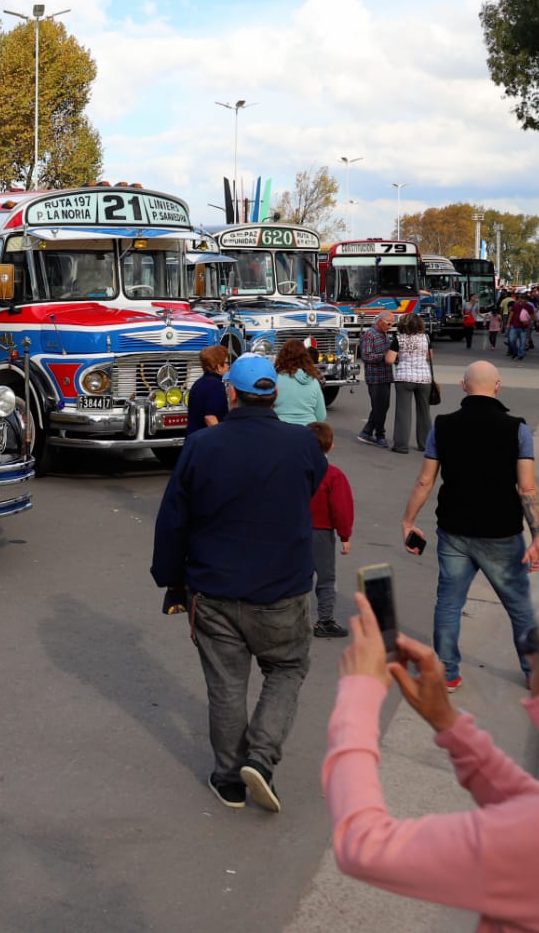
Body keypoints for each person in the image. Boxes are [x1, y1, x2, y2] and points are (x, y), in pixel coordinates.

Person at [322, 561, 539, 929]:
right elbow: (538, 809)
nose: (528, 652)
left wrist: (358, 693)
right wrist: (448, 722)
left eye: (534, 640)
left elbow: (363, 846)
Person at [152, 353, 327, 813]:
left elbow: (174, 519)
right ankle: (262, 759)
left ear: (231, 392)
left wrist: (171, 581)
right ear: (274, 394)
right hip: (282, 589)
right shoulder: (301, 444)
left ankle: (229, 779)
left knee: (227, 686)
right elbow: (310, 486)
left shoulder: (202, 445)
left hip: (214, 588)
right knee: (286, 669)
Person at [402, 360, 539, 691]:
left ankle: (448, 673)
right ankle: (535, 675)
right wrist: (538, 535)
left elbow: (425, 481)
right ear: (497, 386)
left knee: (449, 603)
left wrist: (408, 520)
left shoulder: (443, 425)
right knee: (520, 607)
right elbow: (527, 489)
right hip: (502, 534)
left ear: (464, 387)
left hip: (454, 531)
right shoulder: (518, 429)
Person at [307, 421, 353, 639]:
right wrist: (345, 535)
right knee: (325, 578)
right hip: (321, 532)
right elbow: (341, 508)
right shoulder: (333, 475)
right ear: (331, 446)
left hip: (295, 528)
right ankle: (324, 620)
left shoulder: (293, 470)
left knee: (297, 575)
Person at [388, 312, 434, 455]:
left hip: (404, 378)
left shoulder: (398, 338)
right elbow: (429, 356)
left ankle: (401, 445)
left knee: (403, 413)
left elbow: (389, 359)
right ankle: (425, 444)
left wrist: (400, 357)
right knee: (424, 413)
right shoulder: (426, 338)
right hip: (424, 378)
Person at [355, 311, 395, 448]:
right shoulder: (369, 334)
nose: (390, 326)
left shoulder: (384, 334)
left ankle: (366, 432)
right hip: (375, 377)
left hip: (385, 376)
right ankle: (380, 435)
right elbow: (366, 356)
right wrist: (383, 356)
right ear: (380, 321)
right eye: (389, 323)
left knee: (382, 406)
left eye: (392, 324)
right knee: (379, 407)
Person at [273, 339, 327, 426]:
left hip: (280, 429)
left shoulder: (275, 379)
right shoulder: (313, 382)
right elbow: (321, 416)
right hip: (308, 431)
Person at [186, 344, 229, 439]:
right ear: (218, 366)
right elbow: (210, 417)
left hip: (193, 439)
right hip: (206, 440)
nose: (228, 366)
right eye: (226, 363)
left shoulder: (198, 383)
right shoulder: (216, 386)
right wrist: (223, 438)